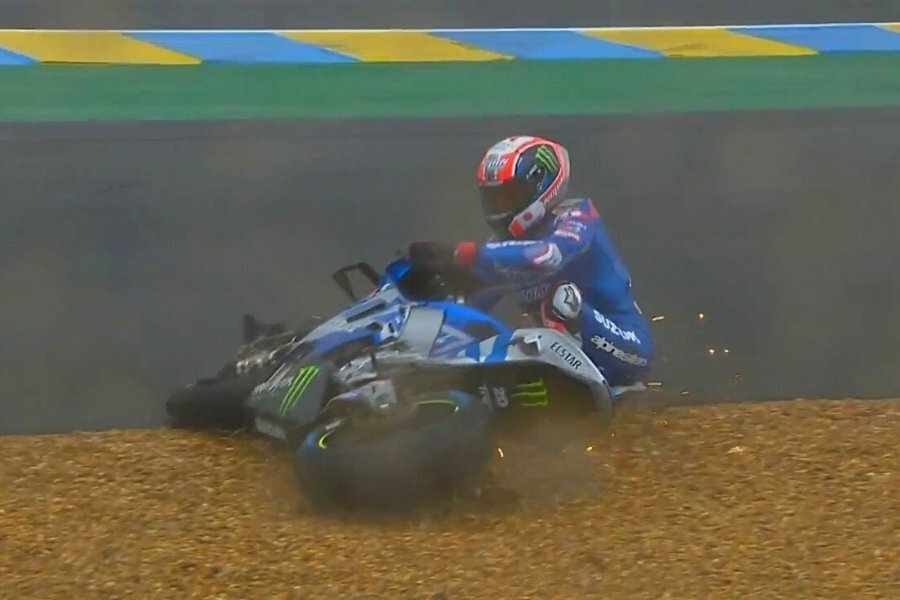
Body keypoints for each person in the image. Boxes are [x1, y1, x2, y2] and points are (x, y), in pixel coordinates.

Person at [408, 135, 654, 393]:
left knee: (562, 300)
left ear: (542, 185)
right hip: (557, 351)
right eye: (494, 198)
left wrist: (462, 254)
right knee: (477, 320)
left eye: (509, 195)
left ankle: (578, 387)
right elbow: (471, 306)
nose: (500, 207)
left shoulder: (577, 215)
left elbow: (548, 254)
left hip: (629, 346)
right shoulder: (502, 248)